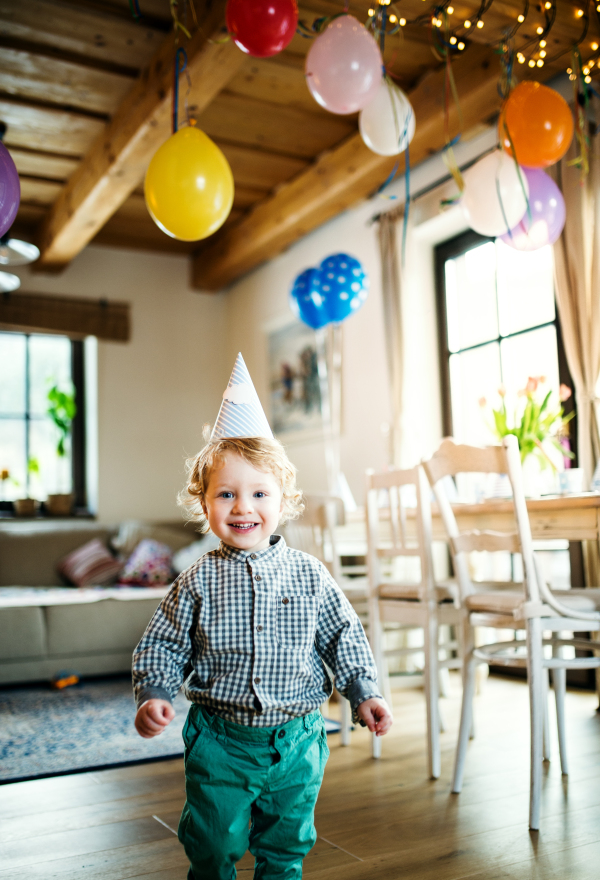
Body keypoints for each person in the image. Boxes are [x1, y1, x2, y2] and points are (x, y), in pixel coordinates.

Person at [132, 353, 392, 880]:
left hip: (297, 739)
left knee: (287, 843)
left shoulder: (310, 574)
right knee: (210, 841)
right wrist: (155, 693)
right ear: (203, 504)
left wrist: (365, 691)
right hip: (221, 741)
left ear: (284, 500)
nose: (241, 506)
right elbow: (163, 643)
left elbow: (342, 634)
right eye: (225, 494)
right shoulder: (198, 580)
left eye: (258, 493)